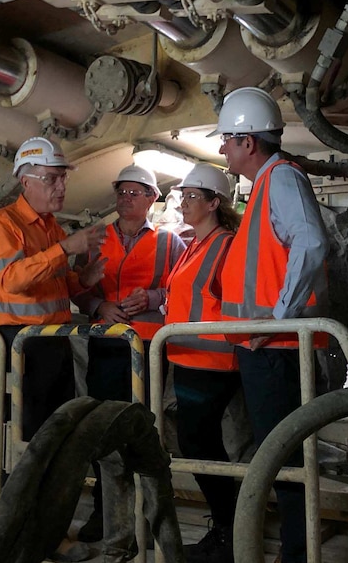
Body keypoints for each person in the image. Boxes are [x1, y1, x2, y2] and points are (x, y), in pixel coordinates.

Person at [213, 87, 330, 563]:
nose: (222, 149)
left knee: (283, 454)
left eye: (227, 140)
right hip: (266, 348)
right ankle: (294, 548)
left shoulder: (281, 178)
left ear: (248, 142)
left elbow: (311, 242)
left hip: (278, 348)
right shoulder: (264, 185)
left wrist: (280, 317)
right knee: (276, 452)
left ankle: (298, 553)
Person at [74, 164, 186, 542]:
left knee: (145, 432)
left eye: (134, 193)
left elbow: (185, 290)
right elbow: (76, 287)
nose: (125, 199)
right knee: (101, 427)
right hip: (107, 345)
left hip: (150, 348)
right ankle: (105, 515)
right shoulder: (94, 239)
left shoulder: (171, 243)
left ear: (152, 199)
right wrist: (98, 307)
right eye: (121, 192)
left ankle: (151, 513)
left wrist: (153, 297)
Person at [0, 136, 106, 441]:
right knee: (26, 433)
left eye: (63, 177)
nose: (61, 186)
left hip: (54, 341)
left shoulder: (54, 228)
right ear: (26, 182)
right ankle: (19, 489)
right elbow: (11, 280)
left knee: (56, 428)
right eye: (51, 178)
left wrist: (84, 280)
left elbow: (56, 286)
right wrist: (63, 250)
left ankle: (50, 488)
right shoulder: (3, 224)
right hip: (20, 343)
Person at [162, 164, 242, 563]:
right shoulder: (193, 244)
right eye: (182, 196)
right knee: (199, 443)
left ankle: (230, 531)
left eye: (193, 196)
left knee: (200, 443)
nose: (184, 202)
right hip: (189, 357)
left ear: (214, 203)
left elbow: (235, 301)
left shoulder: (226, 245)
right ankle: (229, 527)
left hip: (213, 360)